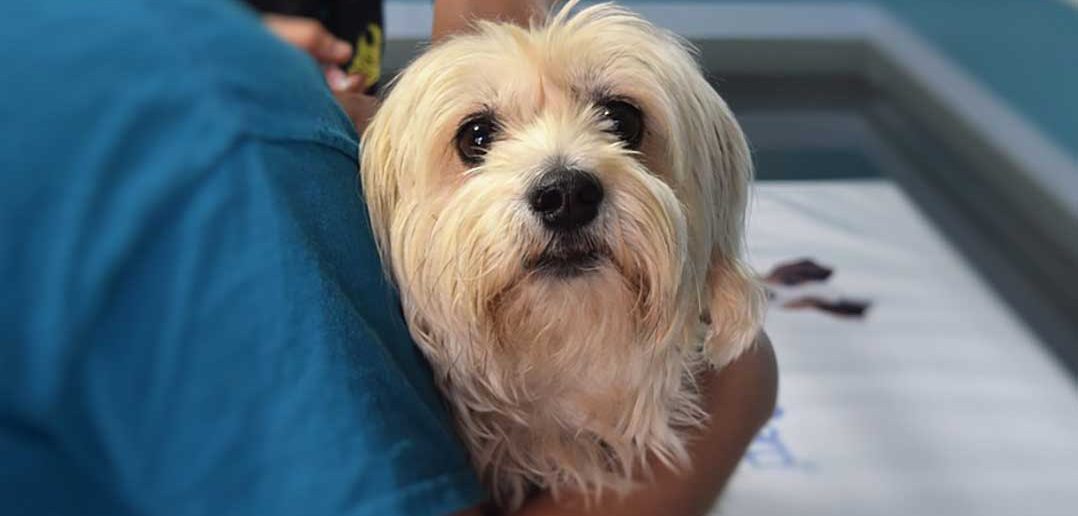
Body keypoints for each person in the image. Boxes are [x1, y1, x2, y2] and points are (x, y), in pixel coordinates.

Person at [0, 1, 777, 515]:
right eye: (479, 141)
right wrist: (741, 388)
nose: (563, 179)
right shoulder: (225, 135)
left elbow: (482, 48)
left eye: (621, 118)